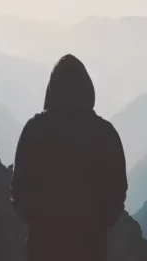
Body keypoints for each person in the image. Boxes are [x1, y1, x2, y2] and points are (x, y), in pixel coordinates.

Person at [10, 54, 128, 261]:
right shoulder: (105, 134)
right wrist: (98, 222)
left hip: (44, 245)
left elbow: (19, 189)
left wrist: (40, 220)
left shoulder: (34, 131)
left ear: (52, 89)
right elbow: (117, 191)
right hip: (91, 246)